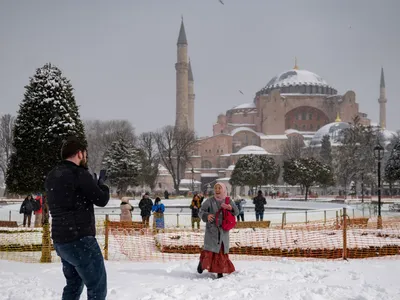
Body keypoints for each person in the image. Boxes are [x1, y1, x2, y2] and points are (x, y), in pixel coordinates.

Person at [45, 137, 110, 300]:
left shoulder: (52, 175)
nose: (85, 158)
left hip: (61, 240)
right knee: (97, 287)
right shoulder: (79, 174)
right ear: (79, 154)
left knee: (73, 285)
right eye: (85, 155)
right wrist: (102, 185)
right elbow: (101, 200)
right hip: (80, 240)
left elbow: (71, 198)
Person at [198, 182, 239, 279]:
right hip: (212, 232)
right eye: (215, 188)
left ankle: (220, 271)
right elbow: (201, 211)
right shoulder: (210, 201)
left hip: (223, 232)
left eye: (219, 188)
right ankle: (202, 264)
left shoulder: (228, 201)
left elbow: (237, 211)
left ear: (224, 189)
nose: (217, 190)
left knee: (221, 252)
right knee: (210, 250)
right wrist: (206, 216)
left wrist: (230, 208)